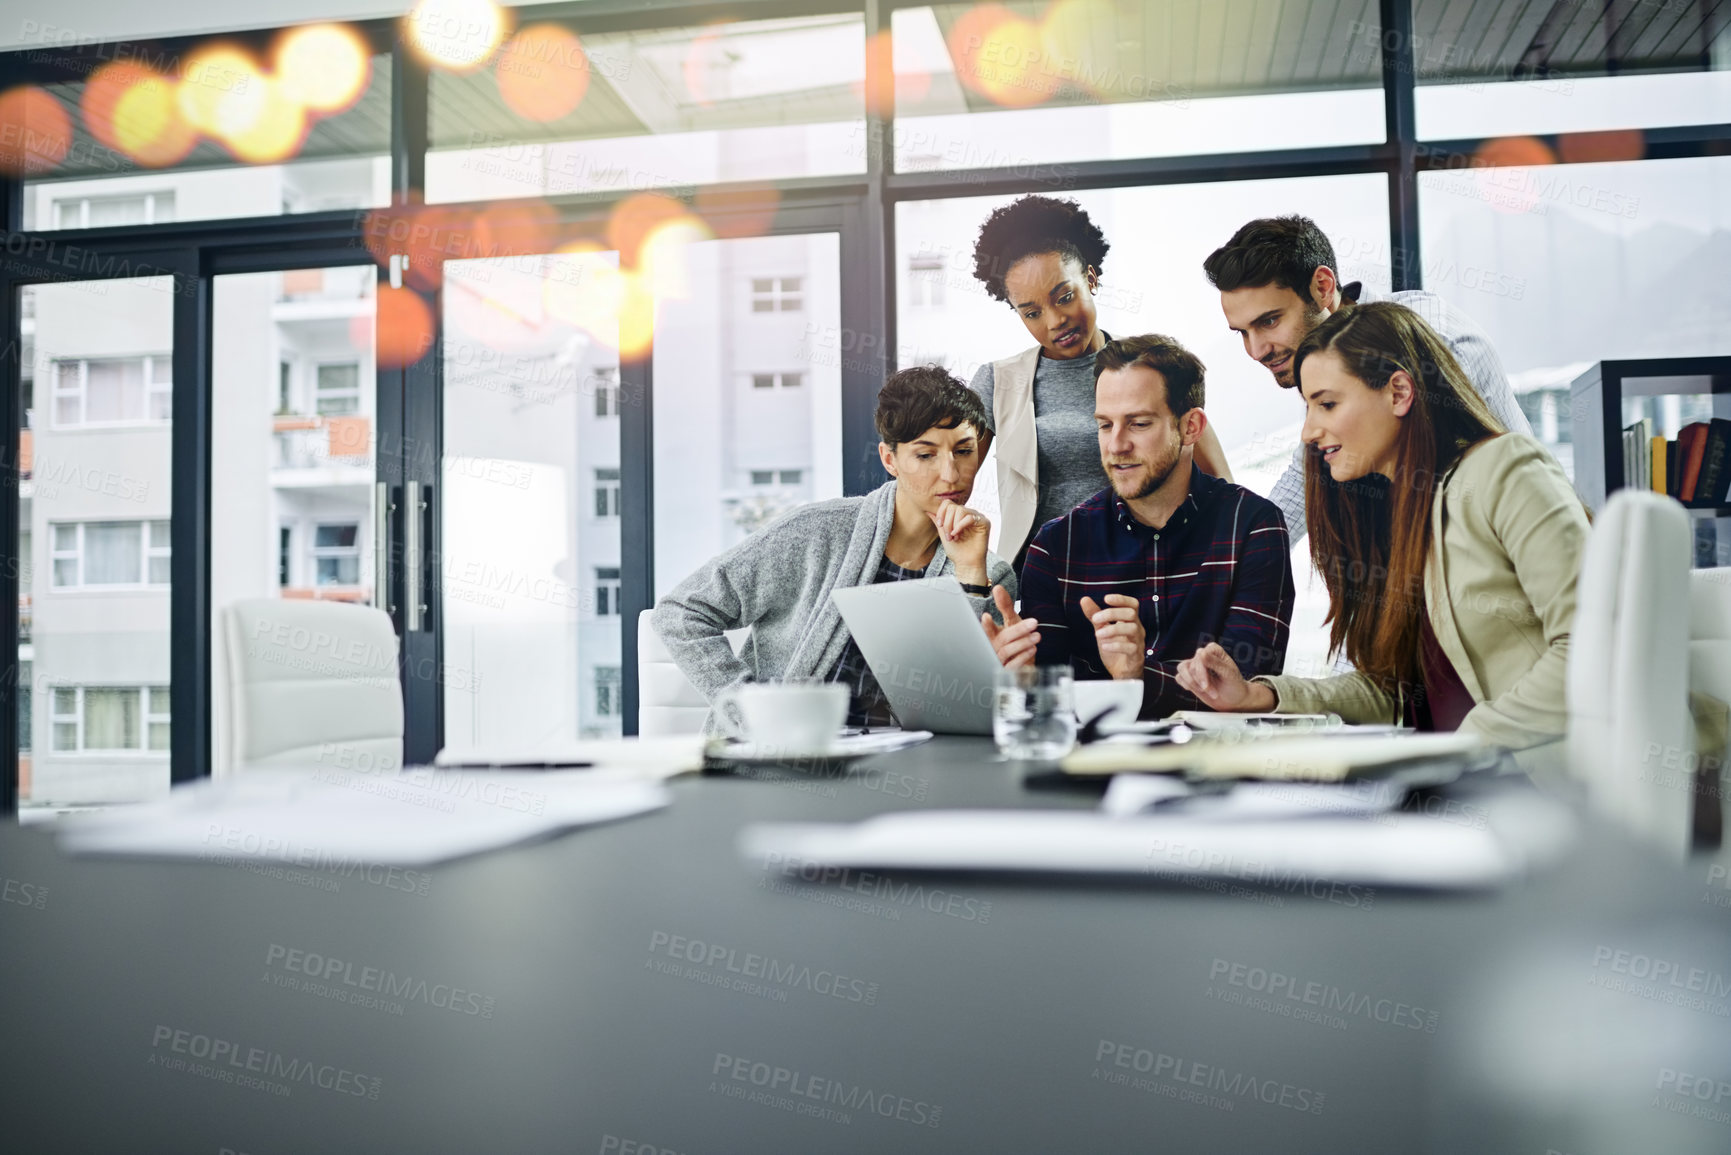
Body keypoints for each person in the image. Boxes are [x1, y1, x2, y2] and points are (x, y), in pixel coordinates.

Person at [1174, 302, 1587, 748]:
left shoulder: (1505, 471)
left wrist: (1466, 747)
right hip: (1452, 785)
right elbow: (1394, 694)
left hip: (1534, 788)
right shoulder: (1392, 512)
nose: (1308, 432)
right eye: (1308, 408)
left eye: (1327, 404)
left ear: (1398, 393)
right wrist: (1261, 695)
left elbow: (1592, 645)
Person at [654, 366, 1016, 735]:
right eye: (925, 455)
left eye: (964, 451)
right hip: (778, 758)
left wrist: (970, 574)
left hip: (899, 769)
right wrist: (752, 712)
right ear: (889, 460)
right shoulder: (816, 532)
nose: (951, 474)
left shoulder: (992, 574)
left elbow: (967, 711)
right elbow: (681, 613)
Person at [981, 334, 1293, 720]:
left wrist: (1135, 679)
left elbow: (1246, 691)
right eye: (1104, 425)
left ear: (1191, 427)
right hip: (1087, 774)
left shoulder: (1253, 527)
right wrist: (1024, 680)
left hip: (1216, 768)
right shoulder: (1055, 548)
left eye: (1138, 424)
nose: (1116, 445)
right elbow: (1051, 706)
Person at [1203, 214, 1533, 543]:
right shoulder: (1330, 362)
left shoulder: (1426, 340)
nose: (1256, 350)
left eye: (1270, 321)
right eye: (1242, 333)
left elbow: (1479, 502)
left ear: (1322, 288)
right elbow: (1300, 485)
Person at [969, 195, 1234, 565]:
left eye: (1063, 296)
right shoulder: (999, 382)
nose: (1053, 321)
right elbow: (943, 486)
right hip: (1041, 582)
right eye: (1031, 313)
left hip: (1145, 576)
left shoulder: (1152, 367)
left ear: (1090, 279)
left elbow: (1222, 487)